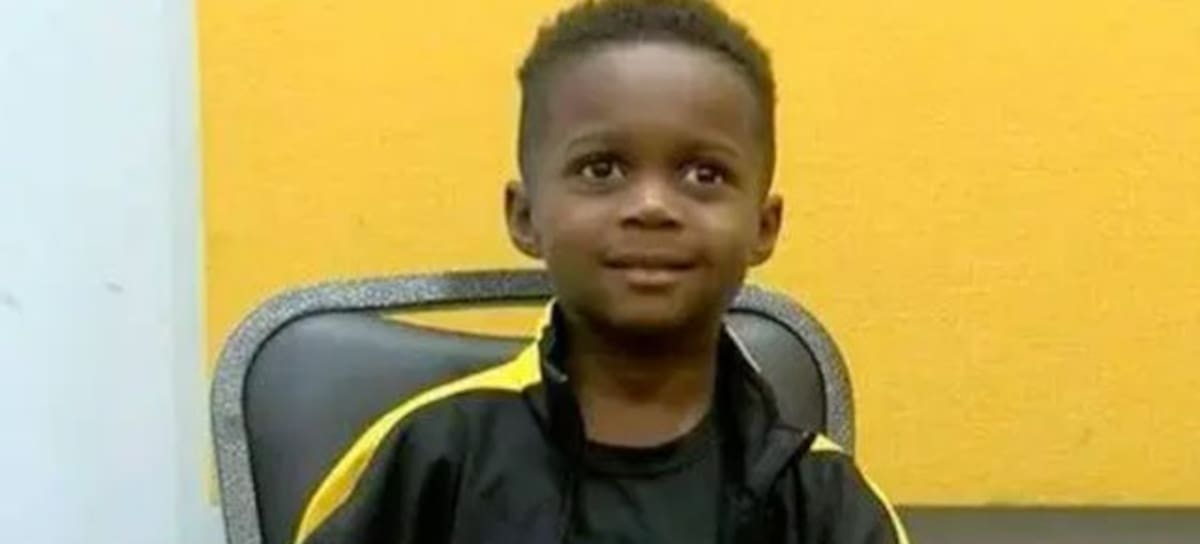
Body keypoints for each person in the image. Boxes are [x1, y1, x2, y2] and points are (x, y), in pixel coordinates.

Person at [295, 1, 909, 542]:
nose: (652, 207)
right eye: (602, 169)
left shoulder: (821, 498)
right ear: (525, 217)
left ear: (764, 226)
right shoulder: (427, 457)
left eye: (704, 174)